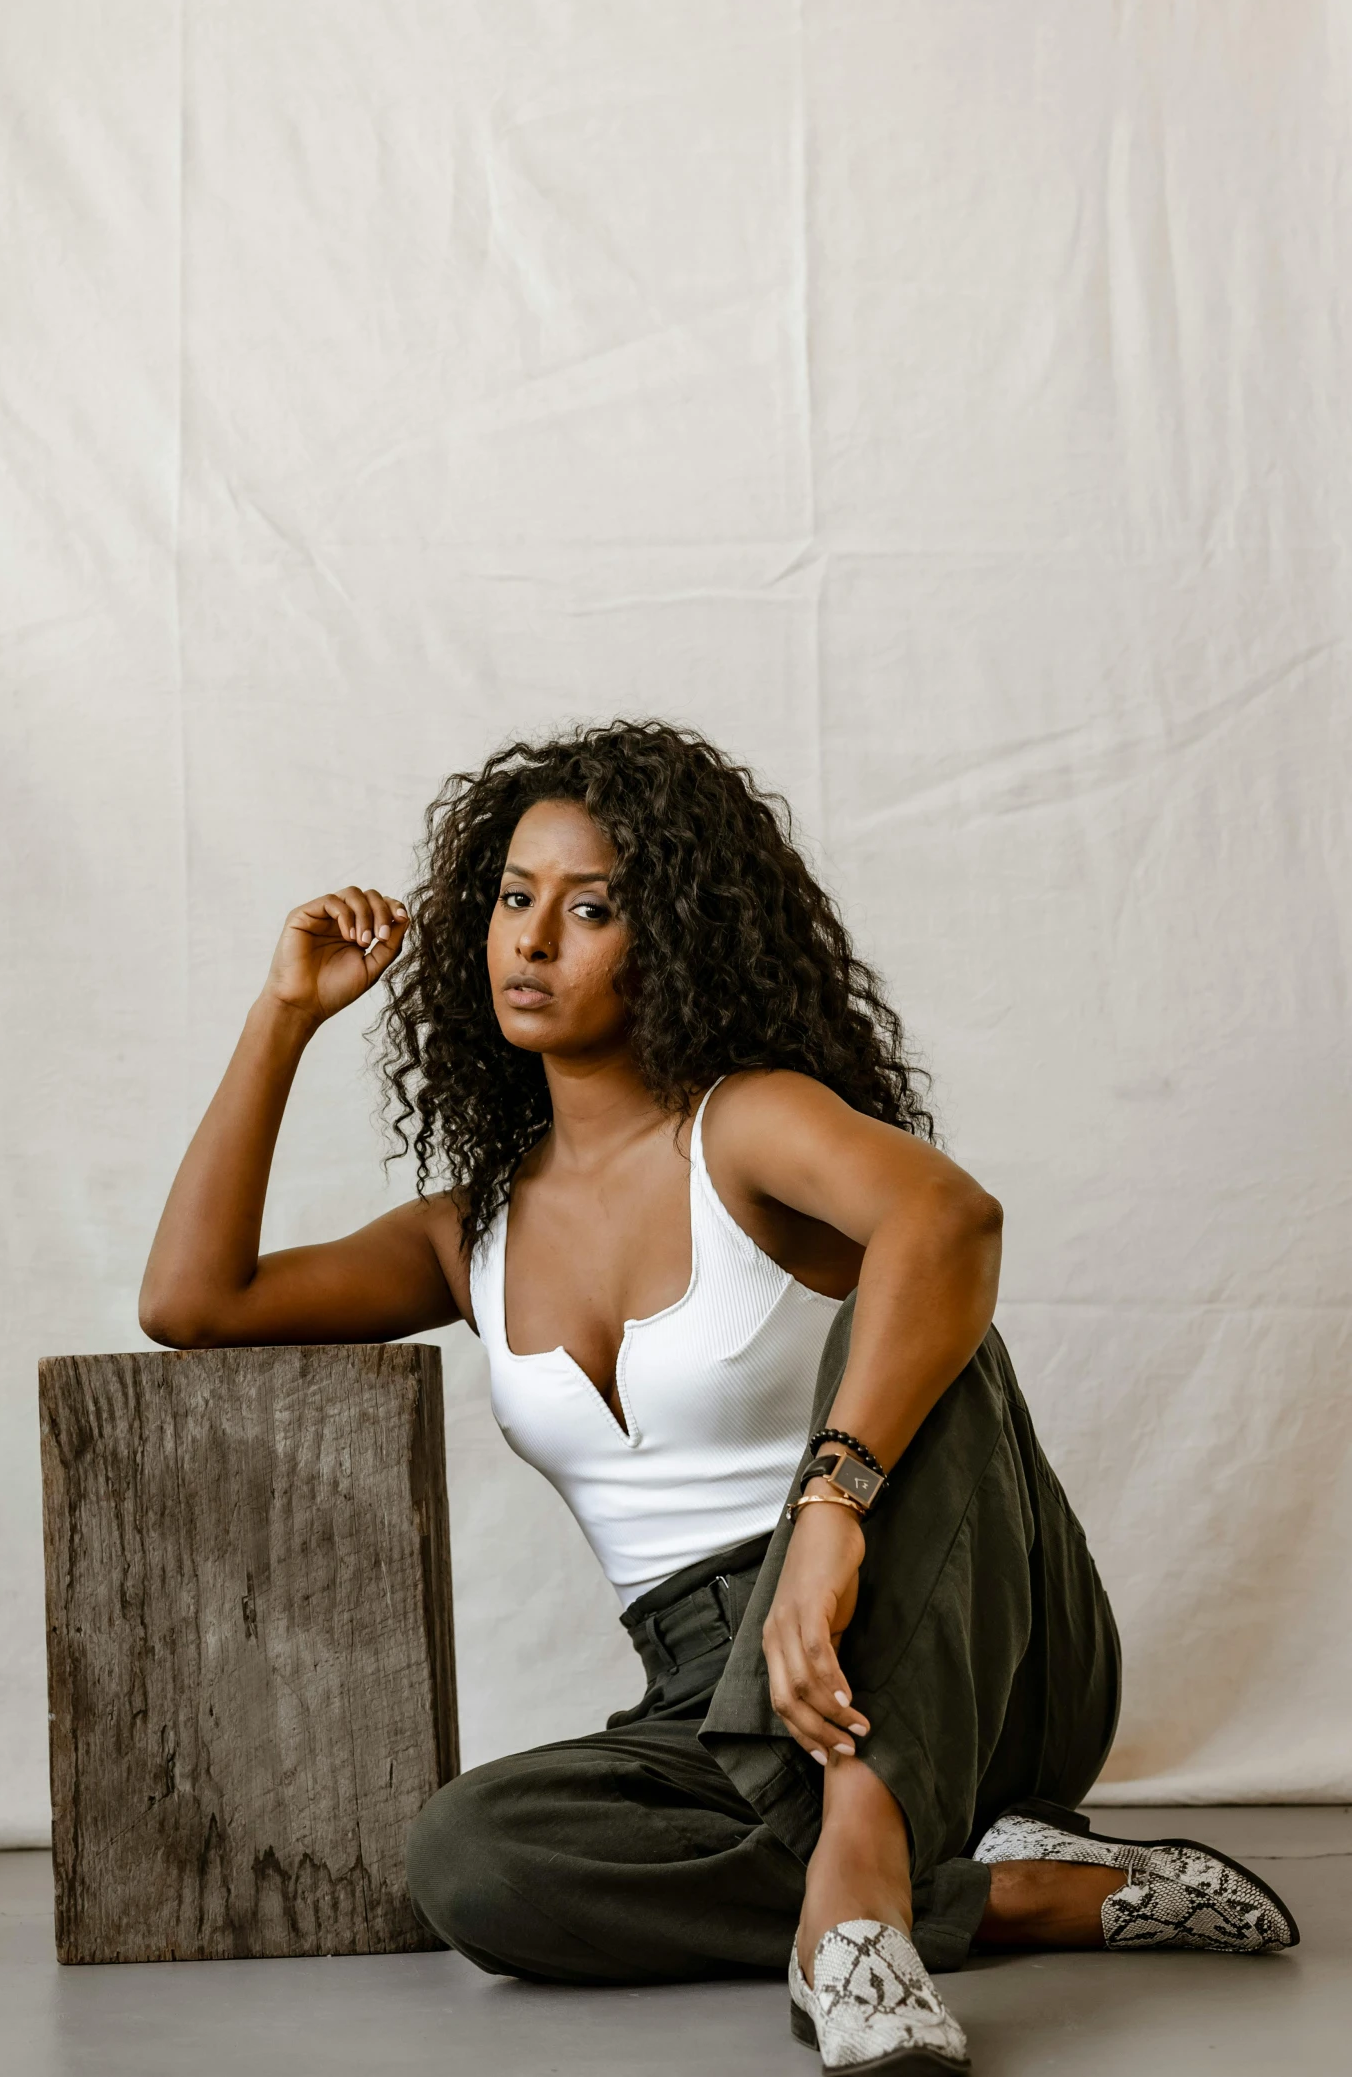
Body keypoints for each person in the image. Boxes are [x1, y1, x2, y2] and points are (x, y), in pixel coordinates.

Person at [139, 721, 1297, 2074]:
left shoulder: (744, 1125)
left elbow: (953, 1221)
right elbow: (192, 1305)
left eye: (593, 908)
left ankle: (864, 1892)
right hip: (717, 1702)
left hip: (950, 1614)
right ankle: (1011, 1887)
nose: (533, 939)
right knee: (474, 1860)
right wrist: (284, 1011)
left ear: (673, 932)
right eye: (515, 897)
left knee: (918, 1311)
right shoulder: (471, 1234)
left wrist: (832, 1512)